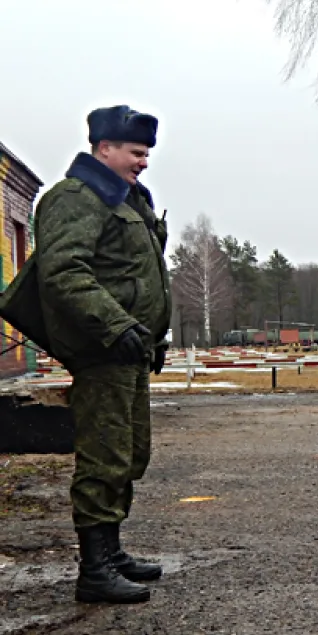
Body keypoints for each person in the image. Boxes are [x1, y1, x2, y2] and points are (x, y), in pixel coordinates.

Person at [0, 105, 170, 604]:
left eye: (146, 154)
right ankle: (94, 569)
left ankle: (112, 552)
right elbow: (64, 274)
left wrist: (150, 337)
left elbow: (134, 276)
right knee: (106, 454)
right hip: (102, 349)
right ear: (104, 148)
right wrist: (118, 328)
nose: (143, 162)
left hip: (129, 351)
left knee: (131, 453)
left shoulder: (129, 199)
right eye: (136, 153)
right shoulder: (75, 198)